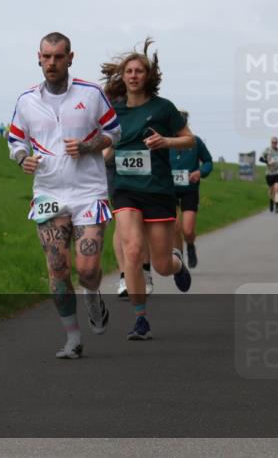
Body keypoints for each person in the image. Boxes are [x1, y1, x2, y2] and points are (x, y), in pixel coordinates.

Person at [8, 32, 120, 359]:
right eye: (46, 57)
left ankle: (93, 295)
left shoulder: (92, 93)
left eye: (58, 57)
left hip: (88, 191)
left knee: (86, 270)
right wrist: (21, 158)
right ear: (38, 58)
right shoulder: (27, 100)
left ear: (71, 58)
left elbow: (115, 131)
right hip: (48, 193)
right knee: (57, 268)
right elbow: (15, 141)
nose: (52, 63)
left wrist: (87, 146)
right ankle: (72, 338)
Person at [101, 38, 195, 340]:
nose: (133, 75)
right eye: (128, 71)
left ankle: (178, 265)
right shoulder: (114, 111)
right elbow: (107, 144)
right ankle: (140, 319)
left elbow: (189, 139)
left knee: (162, 263)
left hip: (158, 190)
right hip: (126, 189)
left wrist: (166, 142)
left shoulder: (163, 108)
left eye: (139, 70)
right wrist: (106, 152)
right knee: (131, 249)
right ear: (122, 75)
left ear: (148, 75)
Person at [107, 146, 154, 298]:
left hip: (142, 160)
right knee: (121, 222)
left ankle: (145, 272)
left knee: (140, 222)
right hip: (115, 166)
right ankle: (124, 278)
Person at [170, 110, 213, 268]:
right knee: (175, 226)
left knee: (187, 230)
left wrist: (200, 172)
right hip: (170, 190)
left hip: (189, 190)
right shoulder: (165, 142)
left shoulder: (195, 142)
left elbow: (208, 162)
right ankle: (179, 260)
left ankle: (190, 246)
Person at [260, 137, 278, 214]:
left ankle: (277, 207)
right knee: (271, 190)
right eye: (273, 142)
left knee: (277, 188)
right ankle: (271, 200)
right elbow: (260, 159)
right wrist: (267, 162)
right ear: (271, 143)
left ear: (277, 143)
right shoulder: (267, 150)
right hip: (269, 173)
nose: (274, 144)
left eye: (276, 142)